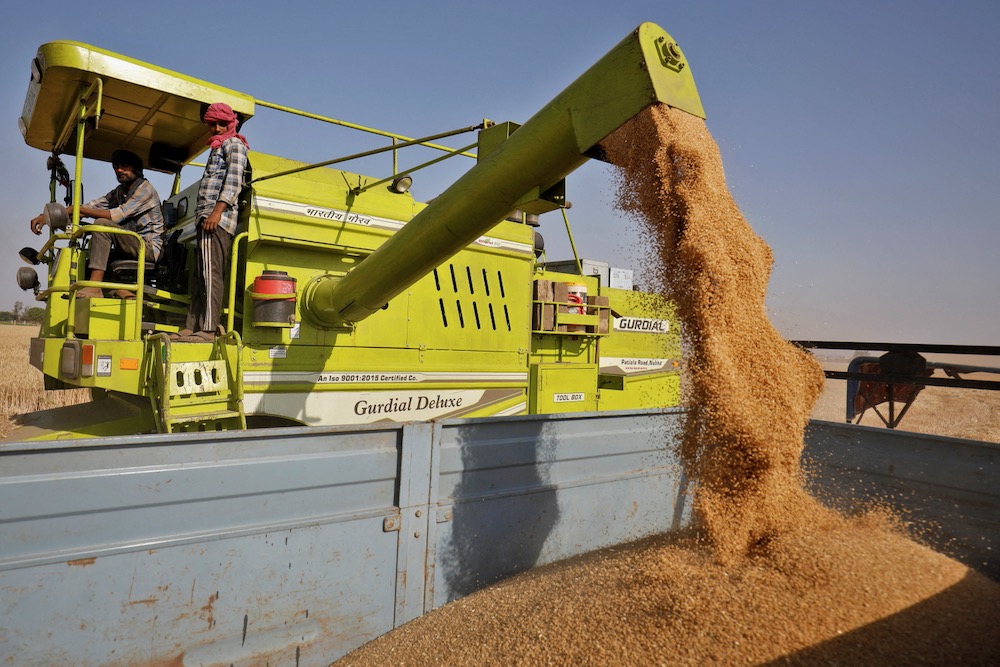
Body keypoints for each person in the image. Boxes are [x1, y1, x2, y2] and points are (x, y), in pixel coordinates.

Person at [29, 149, 164, 299]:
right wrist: (47, 216)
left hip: (148, 248)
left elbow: (115, 215)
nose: (119, 170)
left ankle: (94, 288)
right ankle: (121, 293)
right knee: (87, 259)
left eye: (124, 166)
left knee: (102, 225)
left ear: (136, 170)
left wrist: (77, 208)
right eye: (116, 167)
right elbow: (91, 207)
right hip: (131, 245)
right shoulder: (120, 192)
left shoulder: (145, 189)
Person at [172, 102, 249, 342]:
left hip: (217, 217)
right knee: (199, 276)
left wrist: (217, 211)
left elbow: (234, 181)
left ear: (230, 123)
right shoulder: (217, 147)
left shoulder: (234, 144)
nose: (216, 128)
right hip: (205, 216)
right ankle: (193, 324)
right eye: (212, 124)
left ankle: (208, 328)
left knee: (210, 273)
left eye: (220, 123)